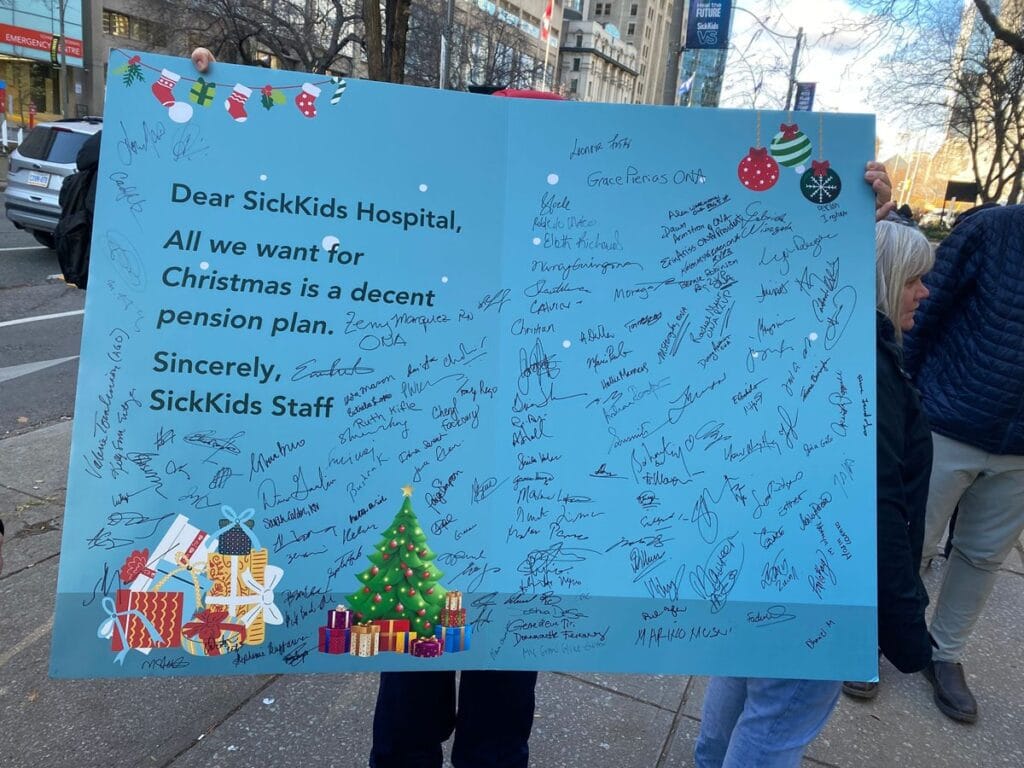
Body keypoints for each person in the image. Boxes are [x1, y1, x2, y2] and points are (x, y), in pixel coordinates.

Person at [191, 48, 900, 764]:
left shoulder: (590, 255)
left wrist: (845, 215)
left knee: (497, 719)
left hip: (528, 537)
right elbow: (306, 201)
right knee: (408, 707)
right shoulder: (421, 235)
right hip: (425, 521)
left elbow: (732, 276)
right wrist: (216, 104)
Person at [695, 218, 935, 767]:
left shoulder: (797, 339)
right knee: (776, 728)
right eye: (913, 279)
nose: (925, 293)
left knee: (735, 686)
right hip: (822, 593)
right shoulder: (867, 373)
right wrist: (906, 631)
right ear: (881, 278)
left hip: (760, 567)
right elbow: (877, 509)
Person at [902, 204, 1024, 724]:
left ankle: (944, 653)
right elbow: (926, 311)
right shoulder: (994, 229)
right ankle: (874, 638)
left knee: (981, 556)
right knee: (912, 540)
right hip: (947, 419)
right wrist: (900, 397)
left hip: (1019, 449)